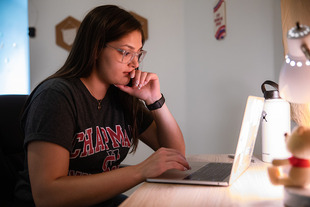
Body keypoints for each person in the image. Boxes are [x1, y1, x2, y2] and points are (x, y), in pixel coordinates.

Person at [14, 4, 189, 207]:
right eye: (126, 52)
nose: (135, 64)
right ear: (96, 48)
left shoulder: (121, 95)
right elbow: (48, 195)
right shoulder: (55, 97)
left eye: (138, 54)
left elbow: (176, 156)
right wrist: (140, 171)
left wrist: (154, 100)